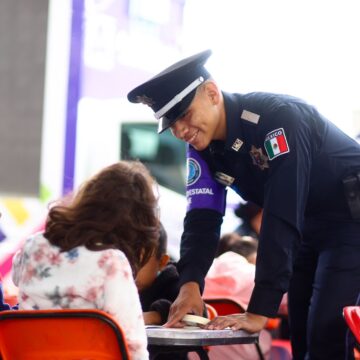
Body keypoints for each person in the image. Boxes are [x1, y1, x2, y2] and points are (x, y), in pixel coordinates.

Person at [127, 49, 360, 359]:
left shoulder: (278, 119)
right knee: (302, 334)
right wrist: (190, 283)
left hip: (351, 220)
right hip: (309, 227)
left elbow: (281, 212)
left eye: (184, 115)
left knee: (326, 333)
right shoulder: (201, 145)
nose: (180, 131)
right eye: (171, 124)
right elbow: (202, 218)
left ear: (211, 93)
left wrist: (259, 310)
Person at [12, 161, 160, 360]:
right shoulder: (111, 262)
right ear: (136, 222)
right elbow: (133, 344)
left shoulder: (33, 246)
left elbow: (16, 279)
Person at [136, 222, 188, 360]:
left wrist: (156, 316)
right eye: (123, 259)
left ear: (162, 262)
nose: (130, 269)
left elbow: (195, 313)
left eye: (140, 262)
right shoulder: (115, 284)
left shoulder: (174, 280)